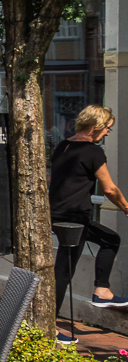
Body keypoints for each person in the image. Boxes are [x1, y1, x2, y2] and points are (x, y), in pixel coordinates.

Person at [50, 105, 128, 333]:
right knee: (63, 271)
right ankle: (48, 328)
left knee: (110, 239)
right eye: (107, 129)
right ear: (95, 126)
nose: (107, 134)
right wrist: (125, 207)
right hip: (74, 218)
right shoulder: (93, 152)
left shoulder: (63, 146)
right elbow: (110, 189)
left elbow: (53, 179)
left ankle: (102, 291)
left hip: (58, 214)